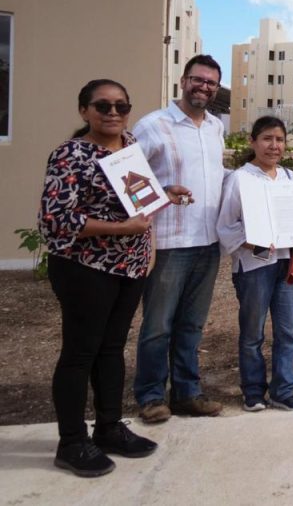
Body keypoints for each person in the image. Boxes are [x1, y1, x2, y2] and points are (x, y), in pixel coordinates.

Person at [38, 80, 158, 477]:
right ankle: (72, 441)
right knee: (80, 353)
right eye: (103, 106)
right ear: (84, 110)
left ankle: (108, 428)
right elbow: (55, 220)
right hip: (85, 268)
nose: (113, 113)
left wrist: (164, 193)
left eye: (121, 106)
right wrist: (121, 229)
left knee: (111, 349)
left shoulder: (130, 146)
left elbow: (137, 200)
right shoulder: (70, 154)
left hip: (129, 266)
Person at [132, 55, 225, 423]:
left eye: (211, 83)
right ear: (183, 81)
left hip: (208, 241)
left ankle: (187, 392)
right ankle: (151, 395)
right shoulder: (152, 125)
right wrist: (162, 191)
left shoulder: (215, 127)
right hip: (169, 242)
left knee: (192, 324)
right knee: (158, 326)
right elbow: (129, 182)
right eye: (198, 80)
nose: (204, 87)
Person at [217, 117, 293, 412]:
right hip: (254, 267)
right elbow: (226, 225)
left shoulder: (289, 178)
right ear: (253, 142)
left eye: (280, 140)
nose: (274, 146)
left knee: (288, 331)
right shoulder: (239, 178)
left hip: (287, 264)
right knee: (252, 332)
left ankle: (284, 390)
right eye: (267, 139)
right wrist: (253, 241)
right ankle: (253, 391)